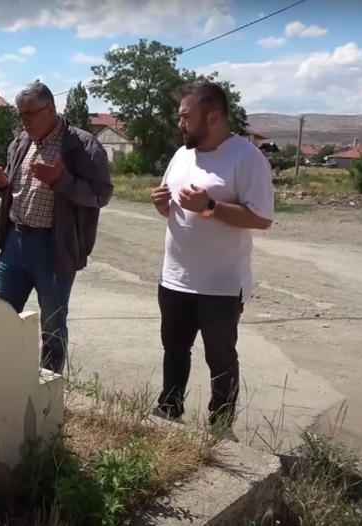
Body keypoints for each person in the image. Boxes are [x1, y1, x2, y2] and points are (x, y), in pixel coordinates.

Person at [151, 82, 274, 428]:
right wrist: (162, 205)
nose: (180, 124)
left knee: (220, 358)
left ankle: (220, 427)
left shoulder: (247, 158)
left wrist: (210, 206)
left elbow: (261, 218)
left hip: (220, 285)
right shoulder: (181, 155)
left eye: (186, 117)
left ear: (214, 116)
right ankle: (169, 411)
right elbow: (173, 210)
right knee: (174, 351)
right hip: (174, 277)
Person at [0, 82, 113, 374]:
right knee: (0, 316)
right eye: (21, 115)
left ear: (52, 109)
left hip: (54, 248)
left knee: (52, 323)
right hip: (15, 243)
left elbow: (101, 195)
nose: (25, 121)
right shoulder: (20, 143)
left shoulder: (83, 146)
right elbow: (15, 192)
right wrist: (3, 185)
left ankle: (48, 389)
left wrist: (61, 180)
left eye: (30, 114)